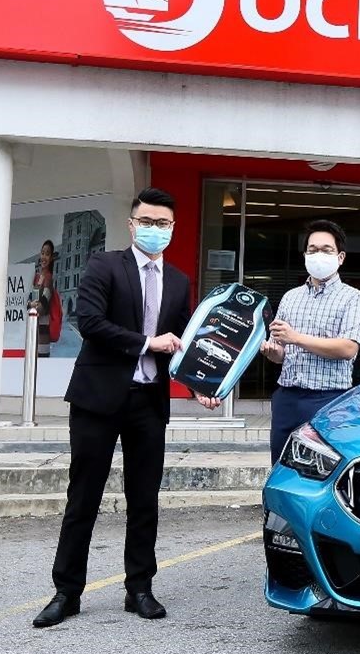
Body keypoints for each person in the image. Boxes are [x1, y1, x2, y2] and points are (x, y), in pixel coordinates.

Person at [34, 189, 221, 629]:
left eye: (164, 223)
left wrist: (200, 386)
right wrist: (145, 343)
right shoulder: (104, 265)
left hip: (148, 403)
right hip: (98, 400)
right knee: (83, 498)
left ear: (173, 229)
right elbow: (90, 322)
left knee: (144, 500)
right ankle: (67, 592)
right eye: (147, 221)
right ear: (132, 224)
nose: (155, 229)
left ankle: (139, 588)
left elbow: (182, 345)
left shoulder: (178, 281)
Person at [261, 219, 360, 464]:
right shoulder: (290, 297)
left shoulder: (353, 299)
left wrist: (295, 338)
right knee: (281, 466)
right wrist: (271, 350)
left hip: (328, 400)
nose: (318, 255)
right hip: (287, 397)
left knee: (322, 469)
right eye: (312, 249)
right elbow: (280, 351)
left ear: (340, 257)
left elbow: (348, 348)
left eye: (326, 250)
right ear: (305, 255)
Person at [28, 240, 57, 356]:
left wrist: (32, 306)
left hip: (42, 338)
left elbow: (43, 305)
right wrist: (31, 305)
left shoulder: (49, 278)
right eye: (42, 253)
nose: (44, 257)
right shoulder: (37, 277)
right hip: (33, 335)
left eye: (47, 253)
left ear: (51, 258)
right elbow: (28, 302)